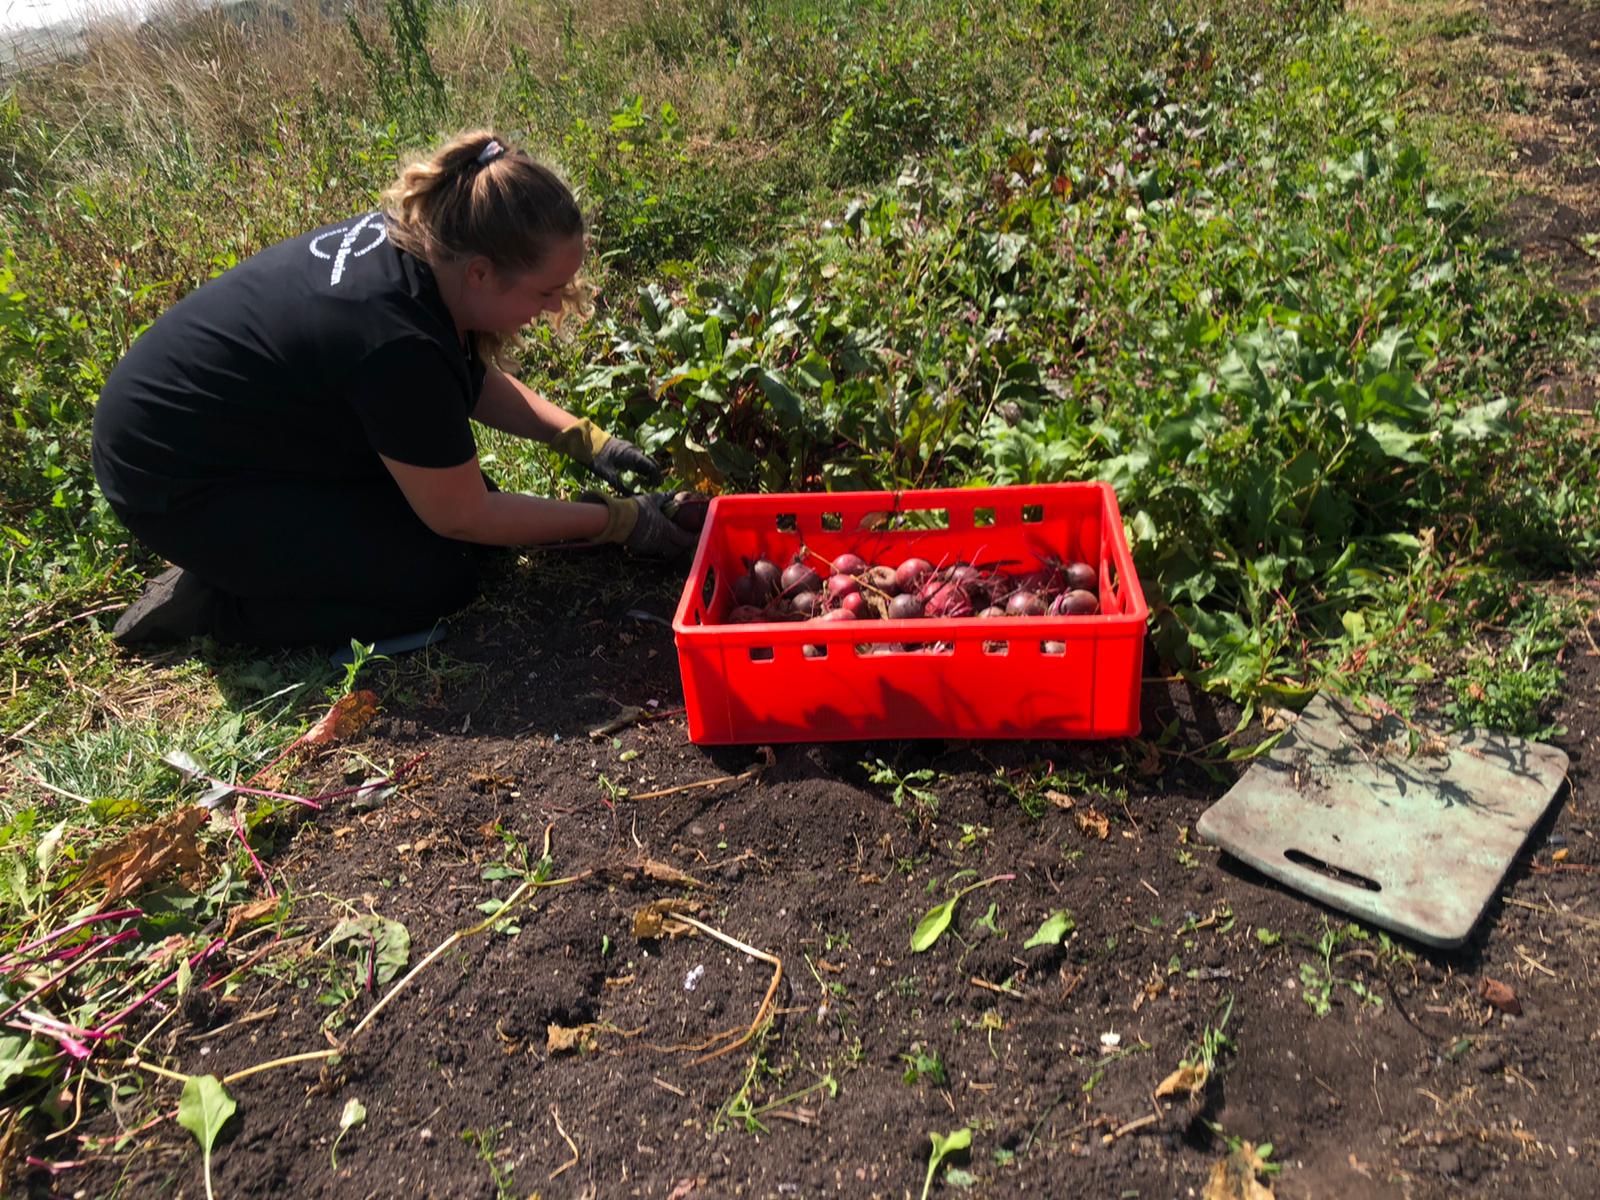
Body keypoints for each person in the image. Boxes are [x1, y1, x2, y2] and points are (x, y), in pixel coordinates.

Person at [92, 130, 695, 648]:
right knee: (438, 573)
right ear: (482, 273)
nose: (557, 306)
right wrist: (616, 522)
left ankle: (263, 559)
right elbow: (463, 517)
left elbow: (465, 381)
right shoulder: (393, 337)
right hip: (178, 481)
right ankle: (213, 604)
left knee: (460, 507)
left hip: (248, 435)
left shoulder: (428, 252)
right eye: (546, 292)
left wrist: (584, 439)